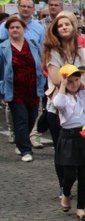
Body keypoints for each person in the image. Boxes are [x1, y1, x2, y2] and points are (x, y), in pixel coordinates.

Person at [42, 11, 85, 199]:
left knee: (84, 147)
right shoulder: (53, 53)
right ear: (56, 30)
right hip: (58, 107)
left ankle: (84, 186)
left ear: (74, 26)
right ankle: (64, 185)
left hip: (82, 106)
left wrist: (69, 78)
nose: (64, 27)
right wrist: (78, 78)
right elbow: (54, 78)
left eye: (67, 24)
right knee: (62, 150)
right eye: (60, 25)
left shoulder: (83, 51)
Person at [54, 65, 85, 221]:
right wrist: (63, 85)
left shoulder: (83, 95)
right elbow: (58, 104)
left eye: (76, 80)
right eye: (70, 81)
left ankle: (81, 208)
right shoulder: (62, 97)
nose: (74, 84)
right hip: (68, 137)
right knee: (70, 174)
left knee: (84, 174)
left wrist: (83, 84)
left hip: (83, 134)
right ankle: (66, 193)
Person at [0, 17, 45, 162]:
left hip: (33, 89)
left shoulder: (33, 45)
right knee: (21, 120)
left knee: (32, 119)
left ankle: (21, 142)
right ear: (7, 30)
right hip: (14, 91)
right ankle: (26, 150)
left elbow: (40, 64)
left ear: (24, 30)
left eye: (17, 27)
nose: (14, 30)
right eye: (11, 27)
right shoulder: (3, 48)